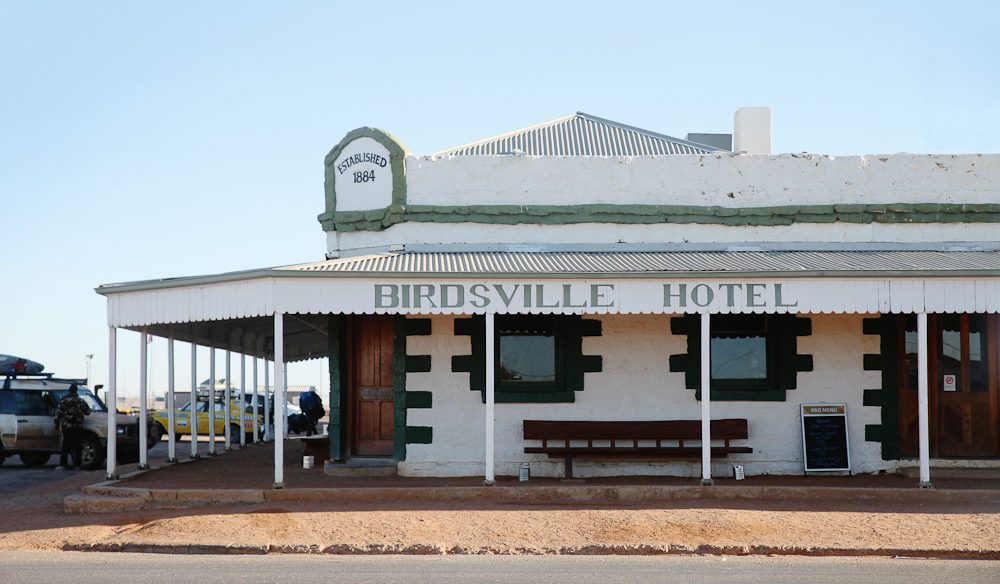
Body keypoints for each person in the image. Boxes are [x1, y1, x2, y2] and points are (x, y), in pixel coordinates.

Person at [54, 384, 91, 470]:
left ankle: (63, 465)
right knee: (78, 446)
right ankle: (77, 465)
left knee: (65, 446)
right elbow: (88, 412)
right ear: (76, 391)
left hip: (67, 427)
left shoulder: (64, 401)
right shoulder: (81, 401)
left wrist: (56, 425)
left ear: (69, 391)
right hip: (78, 427)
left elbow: (58, 414)